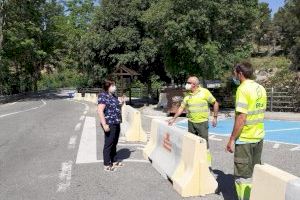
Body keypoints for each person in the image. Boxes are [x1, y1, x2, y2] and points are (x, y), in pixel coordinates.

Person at [226, 62, 267, 200]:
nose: (234, 75)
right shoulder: (261, 88)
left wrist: (232, 139)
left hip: (245, 139)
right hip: (258, 137)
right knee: (254, 173)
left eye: (235, 73)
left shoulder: (243, 89)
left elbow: (242, 118)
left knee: (242, 177)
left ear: (240, 73)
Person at [168, 76, 219, 165]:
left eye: (188, 83)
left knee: (204, 144)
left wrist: (215, 117)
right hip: (191, 123)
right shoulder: (188, 95)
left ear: (194, 84)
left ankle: (207, 164)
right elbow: (181, 108)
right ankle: (193, 163)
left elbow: (215, 103)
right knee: (191, 143)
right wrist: (173, 118)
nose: (186, 84)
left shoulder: (204, 92)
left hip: (202, 123)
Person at [98, 80, 125, 172]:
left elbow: (117, 108)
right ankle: (106, 164)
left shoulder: (113, 96)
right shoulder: (103, 96)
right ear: (108, 86)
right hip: (109, 122)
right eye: (113, 85)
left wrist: (121, 103)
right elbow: (100, 110)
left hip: (116, 122)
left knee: (115, 142)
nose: (114, 87)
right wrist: (104, 124)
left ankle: (114, 161)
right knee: (109, 143)